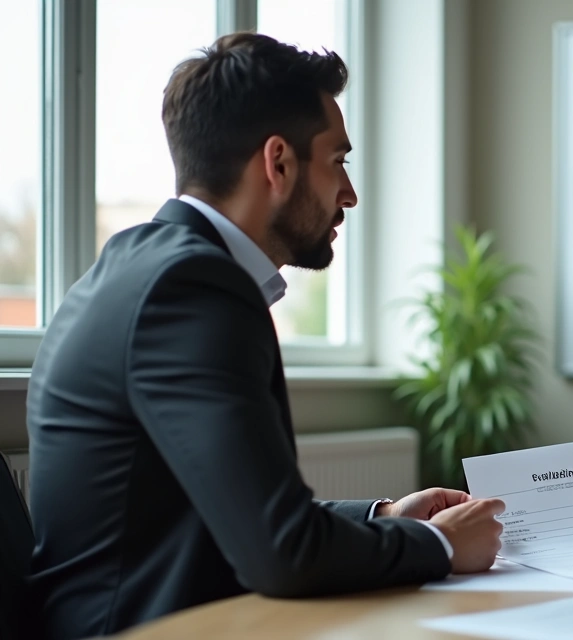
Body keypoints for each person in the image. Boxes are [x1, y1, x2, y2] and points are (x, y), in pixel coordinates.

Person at [25, 33, 504, 640]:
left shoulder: (148, 264)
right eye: (338, 161)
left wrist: (384, 515)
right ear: (278, 163)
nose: (350, 194)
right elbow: (282, 552)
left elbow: (238, 517)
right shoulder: (192, 289)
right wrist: (439, 544)